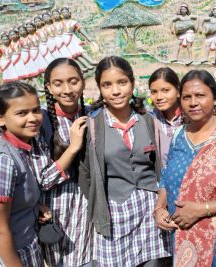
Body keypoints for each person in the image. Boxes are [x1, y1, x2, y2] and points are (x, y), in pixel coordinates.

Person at [78, 56, 171, 267]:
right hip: (115, 213)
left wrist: (161, 204)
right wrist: (99, 204)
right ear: (100, 88)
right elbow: (85, 173)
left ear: (132, 83)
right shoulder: (93, 125)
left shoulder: (148, 120)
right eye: (107, 85)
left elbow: (161, 165)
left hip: (150, 211)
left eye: (122, 82)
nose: (116, 91)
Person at [154, 70, 216, 266]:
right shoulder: (179, 135)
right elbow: (166, 176)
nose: (193, 103)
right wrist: (159, 208)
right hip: (183, 237)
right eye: (187, 97)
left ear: (215, 97)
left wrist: (201, 210)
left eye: (200, 95)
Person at [0, 82, 52, 266]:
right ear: (0, 119)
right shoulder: (1, 158)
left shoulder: (21, 147)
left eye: (36, 110)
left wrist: (33, 206)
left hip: (25, 248)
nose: (33, 118)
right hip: (8, 257)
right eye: (22, 113)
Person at [41, 58, 92, 267]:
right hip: (56, 211)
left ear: (83, 82)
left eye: (73, 81)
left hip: (88, 211)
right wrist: (73, 148)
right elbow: (43, 179)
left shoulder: (93, 115)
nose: (67, 89)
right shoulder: (41, 121)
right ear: (49, 87)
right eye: (58, 83)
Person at [148, 67, 183, 166]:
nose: (159, 97)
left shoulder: (190, 118)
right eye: (154, 92)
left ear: (178, 91)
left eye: (165, 90)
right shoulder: (149, 119)